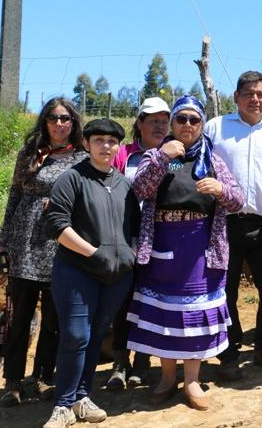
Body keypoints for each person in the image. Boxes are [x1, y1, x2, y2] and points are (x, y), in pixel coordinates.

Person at [126, 95, 245, 410]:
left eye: (194, 120)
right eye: (182, 119)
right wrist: (163, 157)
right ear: (172, 123)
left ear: (202, 123)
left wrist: (221, 190)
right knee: (165, 312)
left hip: (200, 247)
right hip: (162, 243)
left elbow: (238, 200)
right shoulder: (156, 154)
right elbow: (139, 189)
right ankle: (167, 378)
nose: (188, 125)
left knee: (194, 316)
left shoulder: (213, 158)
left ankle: (191, 380)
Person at [43, 118, 139, 428]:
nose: (106, 146)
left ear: (119, 146)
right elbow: (57, 225)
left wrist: (130, 256)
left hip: (116, 276)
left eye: (112, 141)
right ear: (87, 144)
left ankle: (82, 398)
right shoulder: (72, 178)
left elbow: (135, 228)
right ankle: (62, 405)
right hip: (77, 270)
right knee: (75, 336)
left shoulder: (124, 184)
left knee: (97, 334)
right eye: (99, 140)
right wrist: (94, 253)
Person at [203, 71, 262, 380]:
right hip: (222, 223)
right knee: (224, 291)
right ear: (236, 98)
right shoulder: (216, 128)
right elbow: (199, 169)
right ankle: (229, 353)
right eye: (249, 94)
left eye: (261, 94)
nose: (255, 99)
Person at [0, 97, 87, 406]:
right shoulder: (30, 154)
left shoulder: (82, 158)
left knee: (54, 317)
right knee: (19, 315)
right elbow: (14, 195)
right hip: (24, 242)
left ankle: (45, 377)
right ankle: (13, 380)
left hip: (60, 241)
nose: (59, 123)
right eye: (53, 118)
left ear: (73, 123)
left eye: (65, 118)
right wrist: (3, 239)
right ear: (44, 122)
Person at [105, 96, 170, 391]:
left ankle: (143, 361)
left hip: (163, 239)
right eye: (152, 120)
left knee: (150, 300)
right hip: (127, 238)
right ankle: (121, 361)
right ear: (140, 123)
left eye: (163, 120)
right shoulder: (125, 155)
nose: (159, 125)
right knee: (124, 301)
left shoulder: (174, 153)